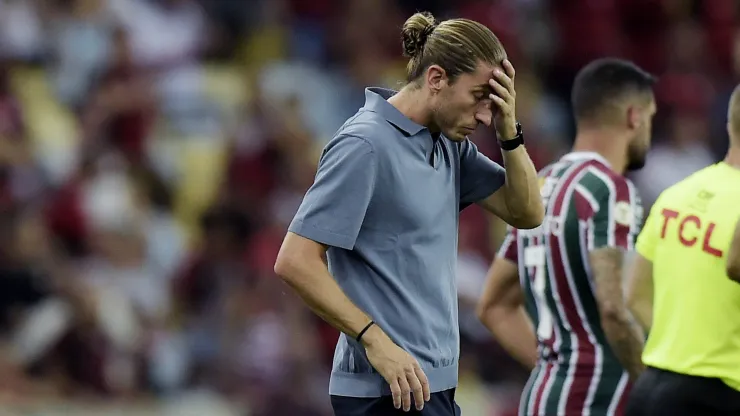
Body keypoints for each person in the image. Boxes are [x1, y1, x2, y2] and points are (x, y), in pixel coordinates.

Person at [273, 11, 544, 416]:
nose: (485, 116)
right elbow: (294, 261)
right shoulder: (365, 145)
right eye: (477, 98)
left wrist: (509, 131)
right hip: (386, 391)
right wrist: (375, 341)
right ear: (436, 79)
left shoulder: (450, 143)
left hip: (433, 386)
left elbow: (527, 213)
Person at [476, 58, 657, 416]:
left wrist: (556, 367)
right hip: (598, 398)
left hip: (544, 396)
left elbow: (493, 305)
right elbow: (613, 307)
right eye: (650, 118)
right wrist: (651, 388)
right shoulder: (608, 188)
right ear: (634, 117)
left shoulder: (541, 186)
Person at [623, 86, 740, 415]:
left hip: (652, 387)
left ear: (729, 126)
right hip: (718, 392)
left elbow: (634, 295)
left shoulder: (676, 195)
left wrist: (682, 346)